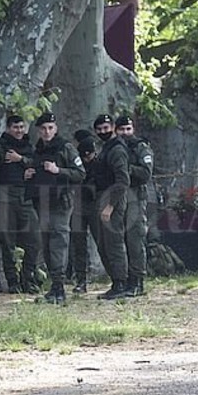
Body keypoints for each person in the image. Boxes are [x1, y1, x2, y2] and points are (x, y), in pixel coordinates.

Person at [28, 113, 85, 304]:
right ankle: (54, 285)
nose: (47, 132)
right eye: (43, 128)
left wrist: (58, 170)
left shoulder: (65, 148)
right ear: (39, 130)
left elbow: (80, 173)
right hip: (42, 201)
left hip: (61, 201)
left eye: (50, 128)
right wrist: (30, 174)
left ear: (56, 128)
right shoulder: (38, 149)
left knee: (58, 242)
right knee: (46, 243)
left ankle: (59, 287)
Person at [0, 114, 41, 293]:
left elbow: (38, 165)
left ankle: (29, 278)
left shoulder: (29, 147)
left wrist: (21, 160)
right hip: (5, 196)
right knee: (7, 242)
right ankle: (12, 281)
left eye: (21, 127)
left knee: (34, 240)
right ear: (8, 128)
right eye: (15, 127)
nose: (19, 131)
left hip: (26, 197)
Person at [92, 114, 133, 299]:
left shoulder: (116, 150)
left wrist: (110, 206)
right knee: (104, 244)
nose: (103, 132)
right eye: (99, 129)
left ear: (113, 127)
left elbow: (123, 181)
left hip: (113, 198)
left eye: (106, 128)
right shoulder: (106, 148)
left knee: (113, 243)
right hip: (103, 196)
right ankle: (116, 281)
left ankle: (120, 283)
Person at [116, 115, 153, 296]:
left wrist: (126, 168)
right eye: (121, 129)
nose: (125, 133)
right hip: (117, 196)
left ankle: (137, 281)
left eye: (128, 129)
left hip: (135, 196)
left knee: (134, 238)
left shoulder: (141, 148)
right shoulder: (113, 148)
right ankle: (122, 280)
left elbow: (146, 173)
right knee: (119, 240)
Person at [68, 130, 99, 294]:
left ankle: (118, 277)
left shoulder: (100, 163)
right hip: (79, 205)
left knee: (103, 243)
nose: (87, 159)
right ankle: (81, 279)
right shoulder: (76, 163)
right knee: (79, 245)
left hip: (95, 205)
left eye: (90, 155)